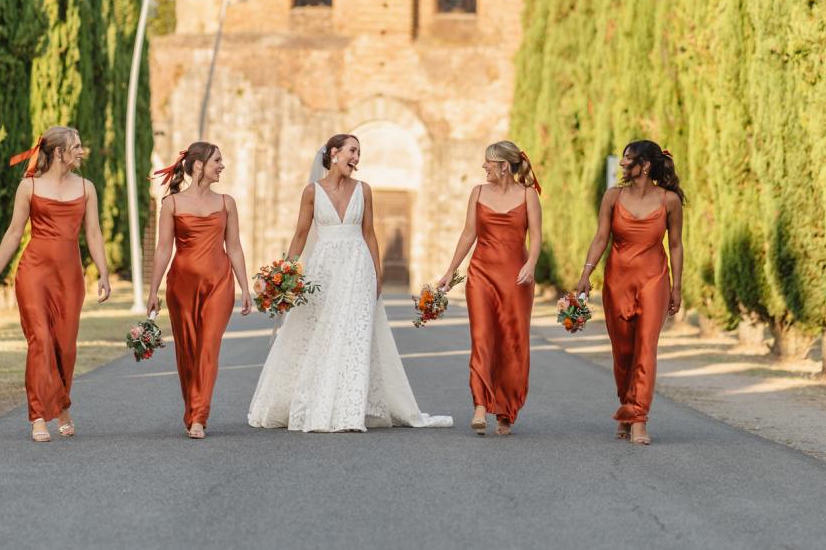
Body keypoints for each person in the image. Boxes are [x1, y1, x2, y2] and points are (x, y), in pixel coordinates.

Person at [247, 134, 452, 432]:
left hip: (358, 268)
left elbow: (369, 233)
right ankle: (315, 401)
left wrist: (377, 273)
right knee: (319, 331)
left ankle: (348, 409)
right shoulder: (312, 192)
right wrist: (285, 274)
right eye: (352, 151)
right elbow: (301, 234)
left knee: (355, 335)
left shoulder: (363, 189)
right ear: (334, 153)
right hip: (323, 270)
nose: (356, 158)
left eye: (359, 153)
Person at [0, 126, 111, 443]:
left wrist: (104, 273)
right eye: (76, 147)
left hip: (70, 277)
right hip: (34, 273)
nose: (81, 151)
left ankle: (62, 406)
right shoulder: (29, 186)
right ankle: (38, 416)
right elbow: (14, 233)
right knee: (40, 340)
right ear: (58, 152)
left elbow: (93, 233)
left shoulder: (87, 188)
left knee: (65, 347)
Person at [573, 139, 684, 445]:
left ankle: (638, 419)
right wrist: (586, 272)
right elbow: (601, 237)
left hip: (654, 280)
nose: (622, 163)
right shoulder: (613, 196)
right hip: (617, 281)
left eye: (628, 158)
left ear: (644, 165)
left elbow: (676, 245)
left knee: (646, 348)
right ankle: (627, 406)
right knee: (623, 352)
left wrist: (676, 286)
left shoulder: (669, 201)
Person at [146, 142, 252, 438]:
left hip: (219, 284)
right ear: (198, 166)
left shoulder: (227, 203)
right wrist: (153, 291)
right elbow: (163, 249)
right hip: (181, 286)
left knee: (208, 347)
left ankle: (199, 416)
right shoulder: (172, 204)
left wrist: (245, 287)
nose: (222, 166)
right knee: (188, 351)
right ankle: (192, 410)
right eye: (217, 161)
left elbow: (234, 247)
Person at [437, 140, 541, 435]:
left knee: (512, 341)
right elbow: (468, 233)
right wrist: (450, 270)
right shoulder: (478, 192)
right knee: (482, 337)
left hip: (516, 277)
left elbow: (536, 236)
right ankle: (481, 404)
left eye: (489, 162)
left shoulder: (528, 195)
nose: (484, 166)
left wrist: (531, 264)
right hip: (481, 274)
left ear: (504, 167)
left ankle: (506, 411)